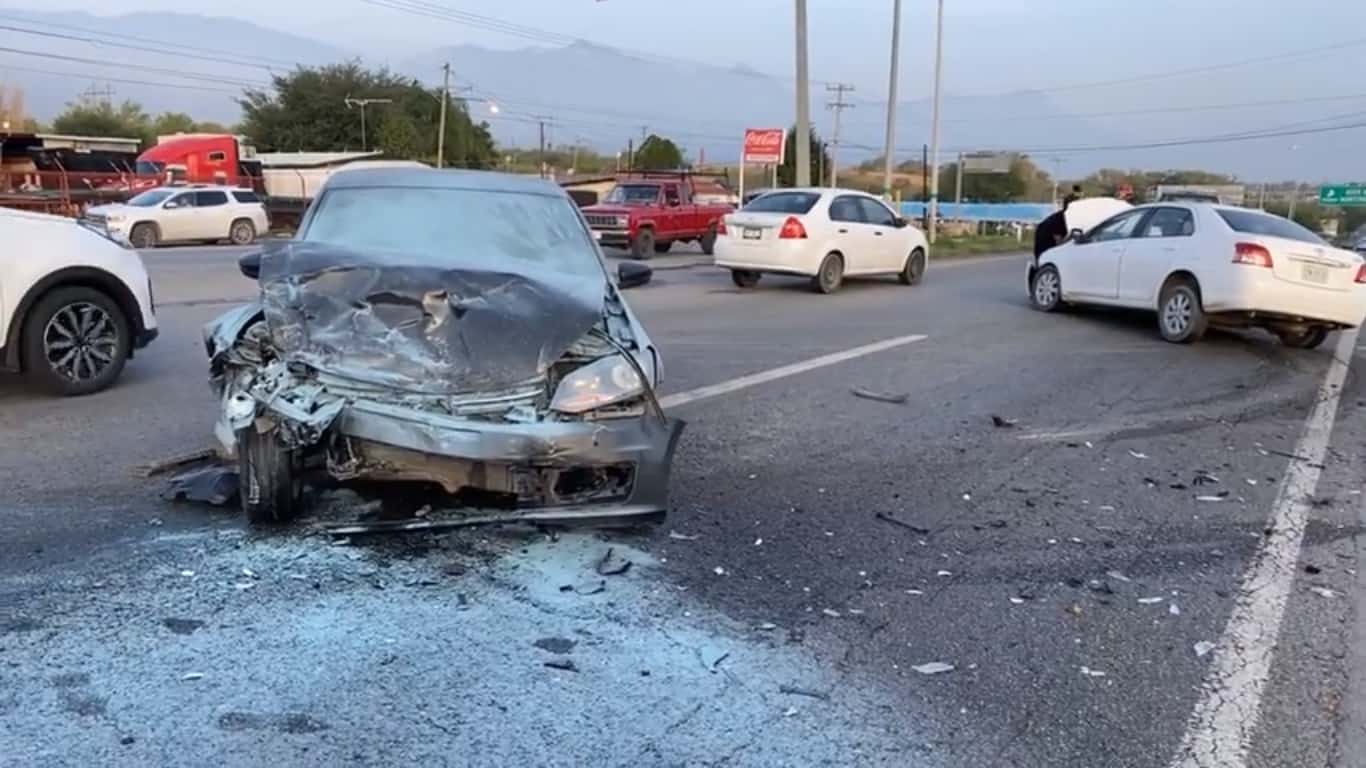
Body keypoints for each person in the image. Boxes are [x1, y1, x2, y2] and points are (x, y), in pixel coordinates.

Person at [1033, 196, 1071, 262]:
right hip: (1047, 255)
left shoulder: (1059, 217)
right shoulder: (1060, 220)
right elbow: (1059, 243)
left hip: (1044, 255)